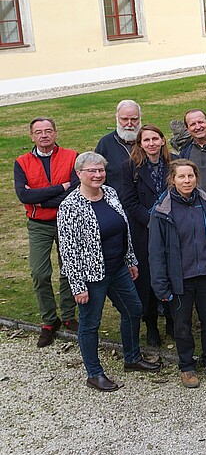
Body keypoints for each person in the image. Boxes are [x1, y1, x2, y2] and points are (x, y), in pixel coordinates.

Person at [57, 152, 161, 391]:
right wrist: (77, 285)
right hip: (91, 276)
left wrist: (131, 260)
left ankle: (132, 358)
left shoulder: (111, 194)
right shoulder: (70, 207)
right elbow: (68, 250)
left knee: (134, 310)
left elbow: (124, 231)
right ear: (79, 174)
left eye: (100, 170)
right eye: (91, 171)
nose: (97, 175)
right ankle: (94, 373)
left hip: (118, 268)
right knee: (90, 323)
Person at [148, 159, 206, 389]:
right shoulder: (162, 210)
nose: (187, 181)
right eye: (181, 177)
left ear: (197, 177)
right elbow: (155, 251)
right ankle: (186, 366)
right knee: (182, 326)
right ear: (172, 180)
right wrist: (160, 285)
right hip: (179, 279)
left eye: (190, 176)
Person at [13, 117, 79, 347]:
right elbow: (24, 196)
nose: (44, 135)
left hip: (67, 221)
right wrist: (59, 189)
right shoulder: (21, 162)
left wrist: (40, 198)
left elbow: (74, 193)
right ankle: (50, 320)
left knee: (69, 269)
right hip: (38, 225)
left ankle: (69, 315)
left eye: (48, 131)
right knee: (39, 272)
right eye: (39, 132)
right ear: (31, 136)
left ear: (56, 133)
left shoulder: (72, 157)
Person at [119, 124, 174, 347]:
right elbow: (129, 201)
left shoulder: (174, 163)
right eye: (146, 140)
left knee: (173, 273)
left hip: (173, 228)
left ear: (162, 141)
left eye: (155, 139)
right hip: (145, 230)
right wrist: (151, 221)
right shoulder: (130, 167)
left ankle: (173, 320)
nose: (151, 143)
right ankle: (151, 324)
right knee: (148, 278)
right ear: (140, 144)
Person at [94, 99, 142, 193]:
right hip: (117, 202)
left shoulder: (149, 141)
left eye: (134, 119)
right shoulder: (105, 144)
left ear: (140, 119)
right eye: (124, 119)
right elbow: (97, 175)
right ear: (117, 119)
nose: (129, 124)